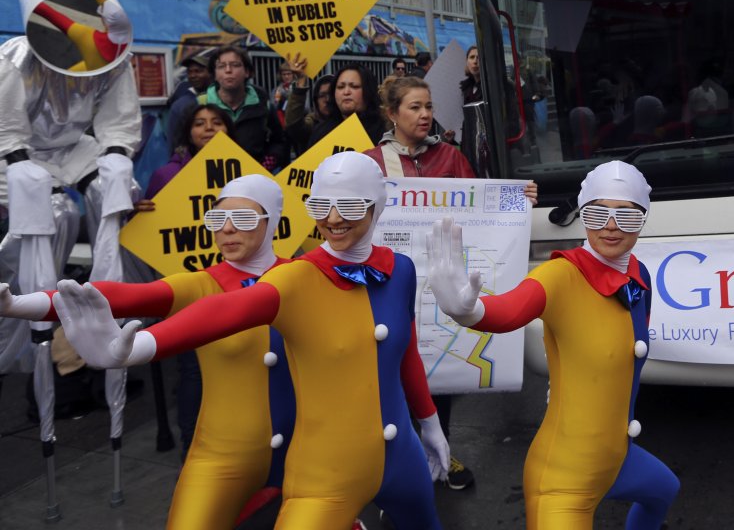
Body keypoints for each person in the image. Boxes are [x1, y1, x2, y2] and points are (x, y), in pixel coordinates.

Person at [53, 152, 449, 529]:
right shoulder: (295, 277)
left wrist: (429, 423)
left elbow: (406, 353)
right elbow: (225, 311)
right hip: (325, 472)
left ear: (377, 205)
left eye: (348, 206)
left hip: (403, 459)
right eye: (319, 206)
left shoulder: (400, 269)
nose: (331, 219)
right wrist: (141, 347)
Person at [2, 175, 294, 529]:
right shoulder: (202, 283)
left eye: (244, 219)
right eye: (217, 220)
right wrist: (18, 304)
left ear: (272, 222)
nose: (228, 230)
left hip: (303, 450)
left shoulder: (302, 278)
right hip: (223, 455)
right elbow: (121, 295)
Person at [427, 160, 679, 528]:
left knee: (664, 489)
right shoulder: (561, 275)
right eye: (597, 213)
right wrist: (470, 312)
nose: (610, 226)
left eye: (627, 217)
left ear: (644, 219)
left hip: (618, 461)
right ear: (582, 213)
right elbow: (510, 310)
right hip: (564, 480)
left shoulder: (638, 276)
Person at [0, 0, 141, 485]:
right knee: (46, 210)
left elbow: (117, 122)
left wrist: (116, 158)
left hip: (75, 151)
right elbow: (9, 128)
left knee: (113, 188)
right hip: (18, 157)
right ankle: (34, 313)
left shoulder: (115, 61)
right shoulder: (14, 59)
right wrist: (21, 168)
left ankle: (114, 304)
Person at [366, 75, 537, 490]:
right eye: (414, 107)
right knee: (390, 373)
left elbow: (484, 204)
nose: (425, 115)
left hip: (438, 286)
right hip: (387, 285)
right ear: (391, 114)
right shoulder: (370, 163)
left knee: (436, 372)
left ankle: (439, 450)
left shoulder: (452, 157)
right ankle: (392, 466)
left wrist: (518, 198)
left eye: (428, 107)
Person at [133, 102, 234, 455]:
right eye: (199, 124)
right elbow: (148, 232)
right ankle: (193, 447)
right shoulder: (165, 176)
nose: (208, 129)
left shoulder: (245, 175)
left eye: (216, 122)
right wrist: (140, 212)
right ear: (187, 132)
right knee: (192, 370)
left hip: (238, 290)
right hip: (191, 291)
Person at [199, 45, 287, 170]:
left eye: (235, 65)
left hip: (254, 181)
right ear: (215, 74)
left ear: (247, 72)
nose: (228, 70)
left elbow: (279, 141)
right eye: (221, 66)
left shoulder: (264, 105)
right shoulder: (200, 105)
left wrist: (268, 163)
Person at [307, 63, 388, 148]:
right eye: (340, 87)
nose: (346, 92)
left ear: (368, 90)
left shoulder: (385, 132)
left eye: (354, 86)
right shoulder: (321, 132)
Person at [281, 53, 336, 155]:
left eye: (332, 94)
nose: (327, 99)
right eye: (322, 95)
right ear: (315, 101)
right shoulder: (312, 124)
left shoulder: (351, 123)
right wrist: (301, 82)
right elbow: (293, 125)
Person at [165, 48, 214, 145]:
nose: (193, 75)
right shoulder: (180, 105)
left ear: (211, 73)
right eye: (190, 72)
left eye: (198, 71)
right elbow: (174, 140)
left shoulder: (223, 99)